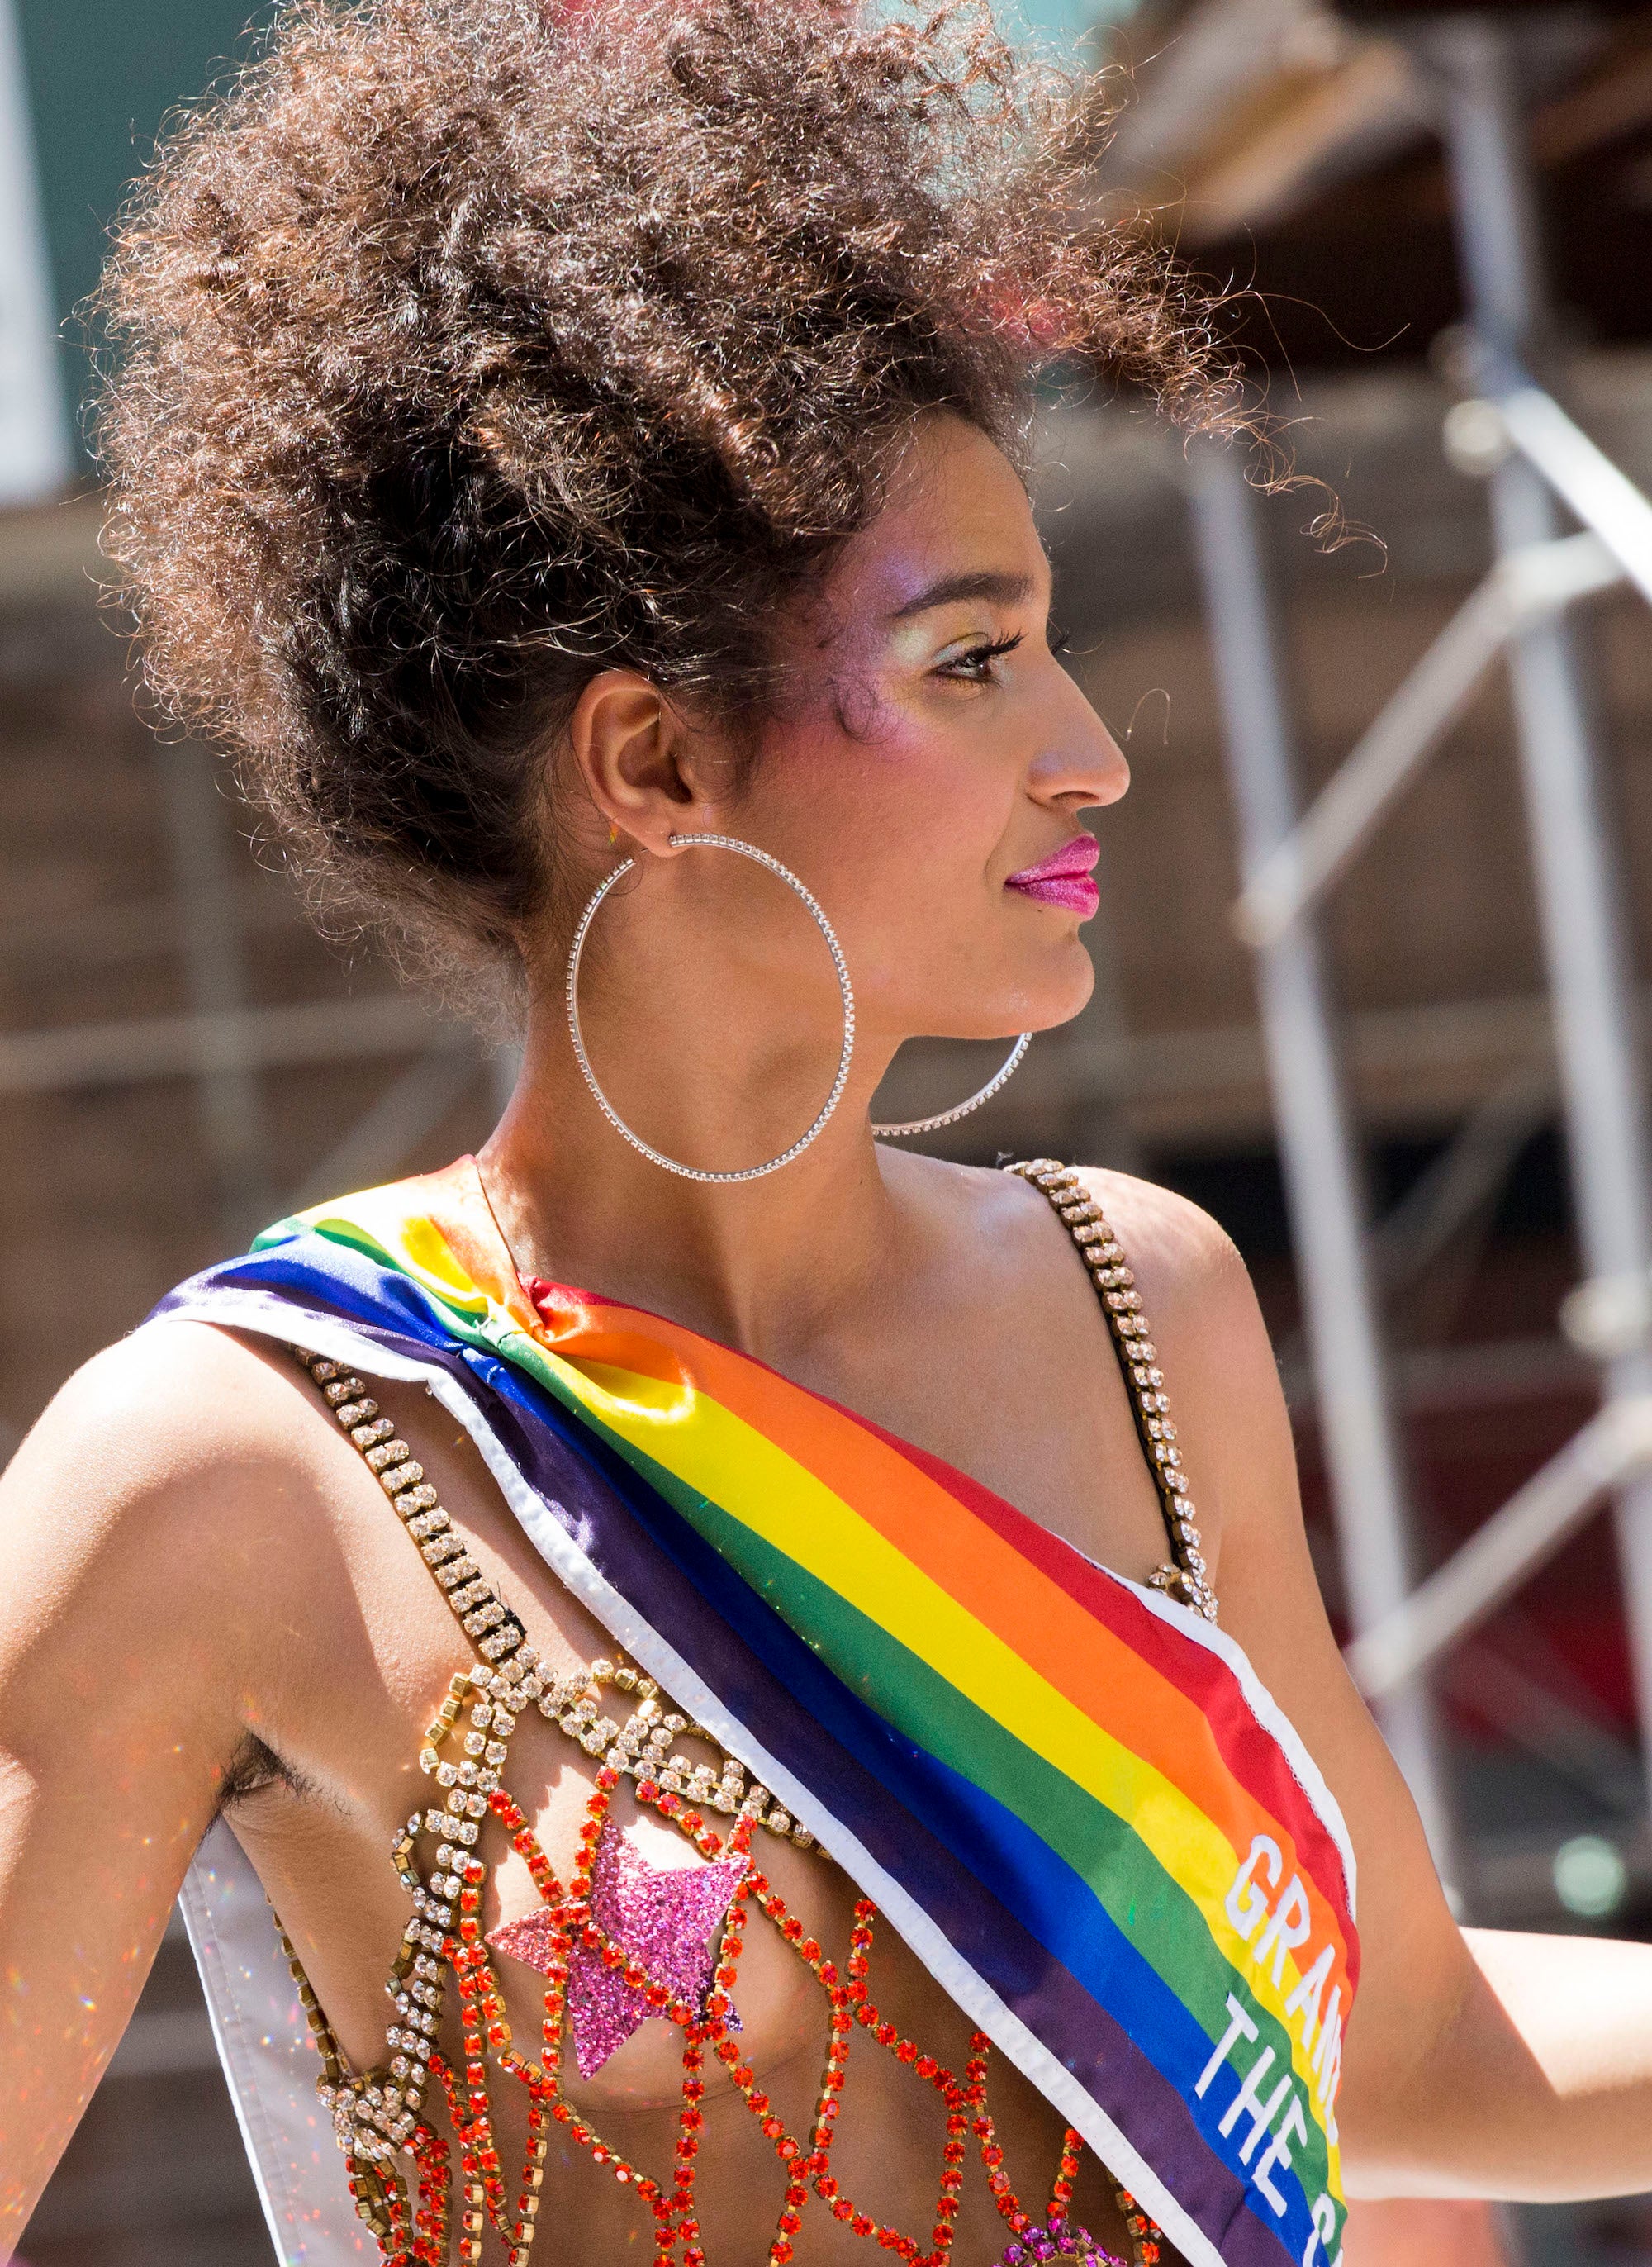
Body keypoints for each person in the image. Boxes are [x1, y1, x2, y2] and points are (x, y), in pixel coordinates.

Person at [2, 4, 1650, 2265]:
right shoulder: (228, 1473)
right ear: (658, 769)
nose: (1091, 755)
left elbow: (1402, 2060)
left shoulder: (1138, 1306)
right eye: (977, 663)